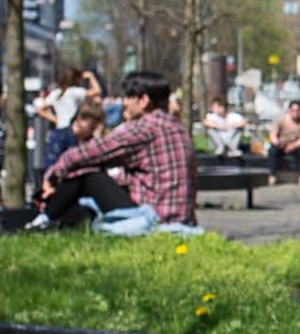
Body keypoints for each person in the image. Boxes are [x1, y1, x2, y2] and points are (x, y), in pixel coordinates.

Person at [36, 70, 197, 228]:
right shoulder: (177, 127)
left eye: (128, 97)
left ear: (144, 100)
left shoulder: (144, 127)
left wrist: (53, 174)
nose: (124, 103)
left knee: (87, 175)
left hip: (153, 217)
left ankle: (45, 220)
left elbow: (89, 152)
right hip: (180, 216)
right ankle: (51, 217)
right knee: (86, 172)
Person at [267, 100, 300, 184]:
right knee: (272, 150)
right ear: (289, 110)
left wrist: (293, 145)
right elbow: (272, 135)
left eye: (297, 110)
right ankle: (272, 176)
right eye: (293, 110)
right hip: (280, 145)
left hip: (294, 146)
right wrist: (278, 143)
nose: (295, 113)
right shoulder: (281, 120)